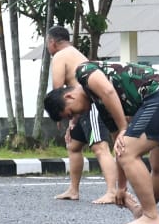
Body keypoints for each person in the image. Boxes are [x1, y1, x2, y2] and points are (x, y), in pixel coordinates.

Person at [44, 60, 159, 224]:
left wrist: (123, 127)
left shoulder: (83, 72)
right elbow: (118, 148)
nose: (75, 117)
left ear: (69, 96)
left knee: (129, 152)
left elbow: (108, 90)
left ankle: (151, 216)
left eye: (71, 113)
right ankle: (146, 213)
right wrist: (120, 187)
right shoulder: (103, 108)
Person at [45, 26, 122, 205]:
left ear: (52, 42)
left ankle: (112, 191)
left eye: (47, 44)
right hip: (79, 107)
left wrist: (64, 117)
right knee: (73, 145)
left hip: (89, 104)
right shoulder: (75, 53)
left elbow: (59, 90)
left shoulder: (59, 56)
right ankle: (73, 190)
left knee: (100, 147)